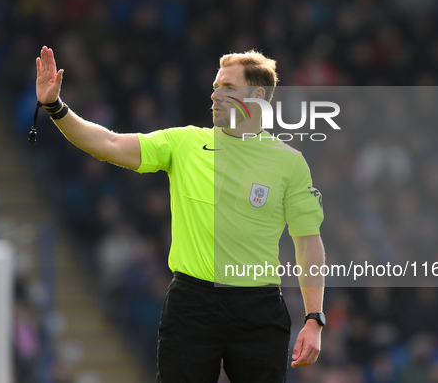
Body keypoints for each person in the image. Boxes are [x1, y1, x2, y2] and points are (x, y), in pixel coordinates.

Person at [35, 46, 326, 382]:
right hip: (192, 304)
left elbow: (308, 243)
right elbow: (109, 144)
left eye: (228, 87)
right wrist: (56, 107)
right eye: (215, 86)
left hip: (258, 308)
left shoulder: (288, 163)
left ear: (258, 95)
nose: (215, 95)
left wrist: (313, 318)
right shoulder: (185, 144)